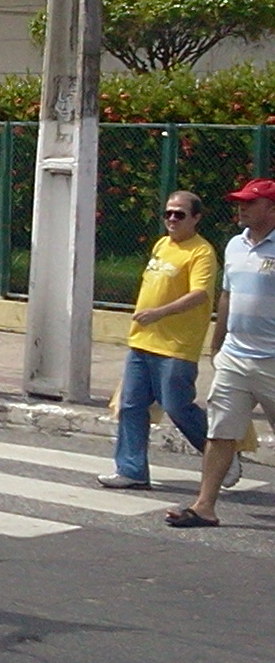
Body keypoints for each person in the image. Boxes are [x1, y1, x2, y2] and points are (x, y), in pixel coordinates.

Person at [164, 179, 275, 529]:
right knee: (220, 432)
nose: (240, 208)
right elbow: (226, 295)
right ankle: (204, 506)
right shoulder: (234, 246)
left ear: (271, 208)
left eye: (250, 203)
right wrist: (218, 340)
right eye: (239, 201)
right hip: (236, 357)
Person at [100, 191, 218, 489]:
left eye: (179, 214)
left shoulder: (201, 252)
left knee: (177, 406)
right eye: (168, 214)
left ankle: (221, 456)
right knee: (131, 405)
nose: (172, 220)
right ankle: (131, 470)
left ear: (196, 218)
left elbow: (200, 294)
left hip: (176, 345)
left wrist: (159, 312)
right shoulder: (161, 245)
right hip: (143, 342)